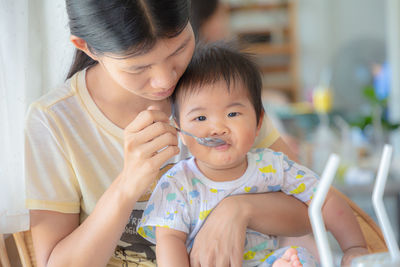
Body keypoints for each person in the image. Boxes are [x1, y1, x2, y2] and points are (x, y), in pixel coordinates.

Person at [25, 1, 312, 267]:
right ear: (86, 47)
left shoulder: (217, 87)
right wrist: (127, 185)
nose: (166, 80)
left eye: (178, 49)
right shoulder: (54, 121)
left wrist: (239, 209)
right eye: (138, 67)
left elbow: (309, 209)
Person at [137, 42, 369, 266]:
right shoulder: (177, 184)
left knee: (299, 257)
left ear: (259, 122)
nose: (218, 127)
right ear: (180, 130)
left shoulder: (273, 167)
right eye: (200, 118)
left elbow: (326, 200)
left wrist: (354, 248)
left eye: (233, 114)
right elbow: (168, 241)